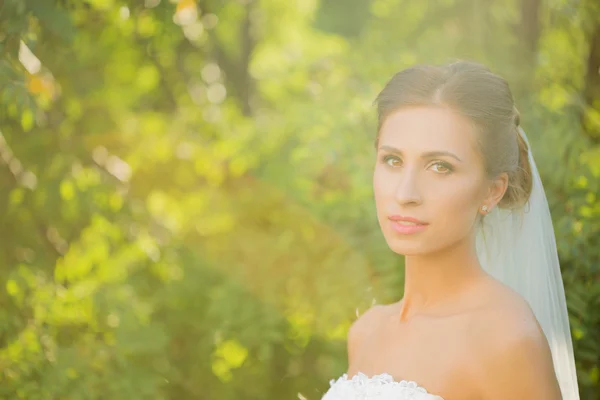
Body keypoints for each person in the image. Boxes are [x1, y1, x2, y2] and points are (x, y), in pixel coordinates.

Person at [321, 61, 579, 400]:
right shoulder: (365, 332)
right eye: (393, 160)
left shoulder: (505, 339)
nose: (405, 194)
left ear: (492, 191)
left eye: (440, 167)